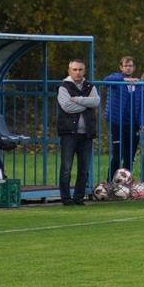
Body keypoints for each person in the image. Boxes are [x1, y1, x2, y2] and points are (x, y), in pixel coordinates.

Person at [57, 59, 101, 205]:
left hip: (86, 133)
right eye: (75, 70)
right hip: (69, 133)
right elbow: (67, 106)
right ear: (69, 71)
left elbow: (96, 102)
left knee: (84, 169)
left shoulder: (89, 85)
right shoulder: (63, 87)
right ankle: (66, 199)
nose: (78, 72)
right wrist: (86, 103)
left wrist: (77, 99)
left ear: (84, 71)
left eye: (80, 69)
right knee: (66, 169)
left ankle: (78, 197)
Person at [102, 55, 143, 182]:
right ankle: (110, 182)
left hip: (132, 124)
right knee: (117, 155)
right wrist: (123, 79)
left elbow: (140, 105)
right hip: (117, 123)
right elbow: (105, 80)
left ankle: (125, 183)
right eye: (126, 66)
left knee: (129, 156)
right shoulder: (117, 79)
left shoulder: (138, 83)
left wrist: (140, 123)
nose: (128, 68)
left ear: (134, 67)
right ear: (121, 67)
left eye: (130, 66)